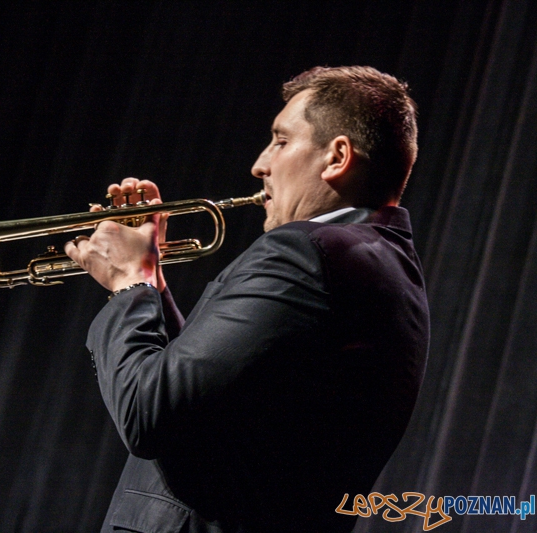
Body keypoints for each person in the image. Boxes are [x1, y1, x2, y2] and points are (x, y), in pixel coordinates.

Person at [65, 66, 429, 532]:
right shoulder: (378, 263)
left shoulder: (307, 251)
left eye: (280, 141)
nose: (260, 164)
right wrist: (150, 282)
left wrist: (127, 282)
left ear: (337, 156)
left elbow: (147, 415)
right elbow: (213, 402)